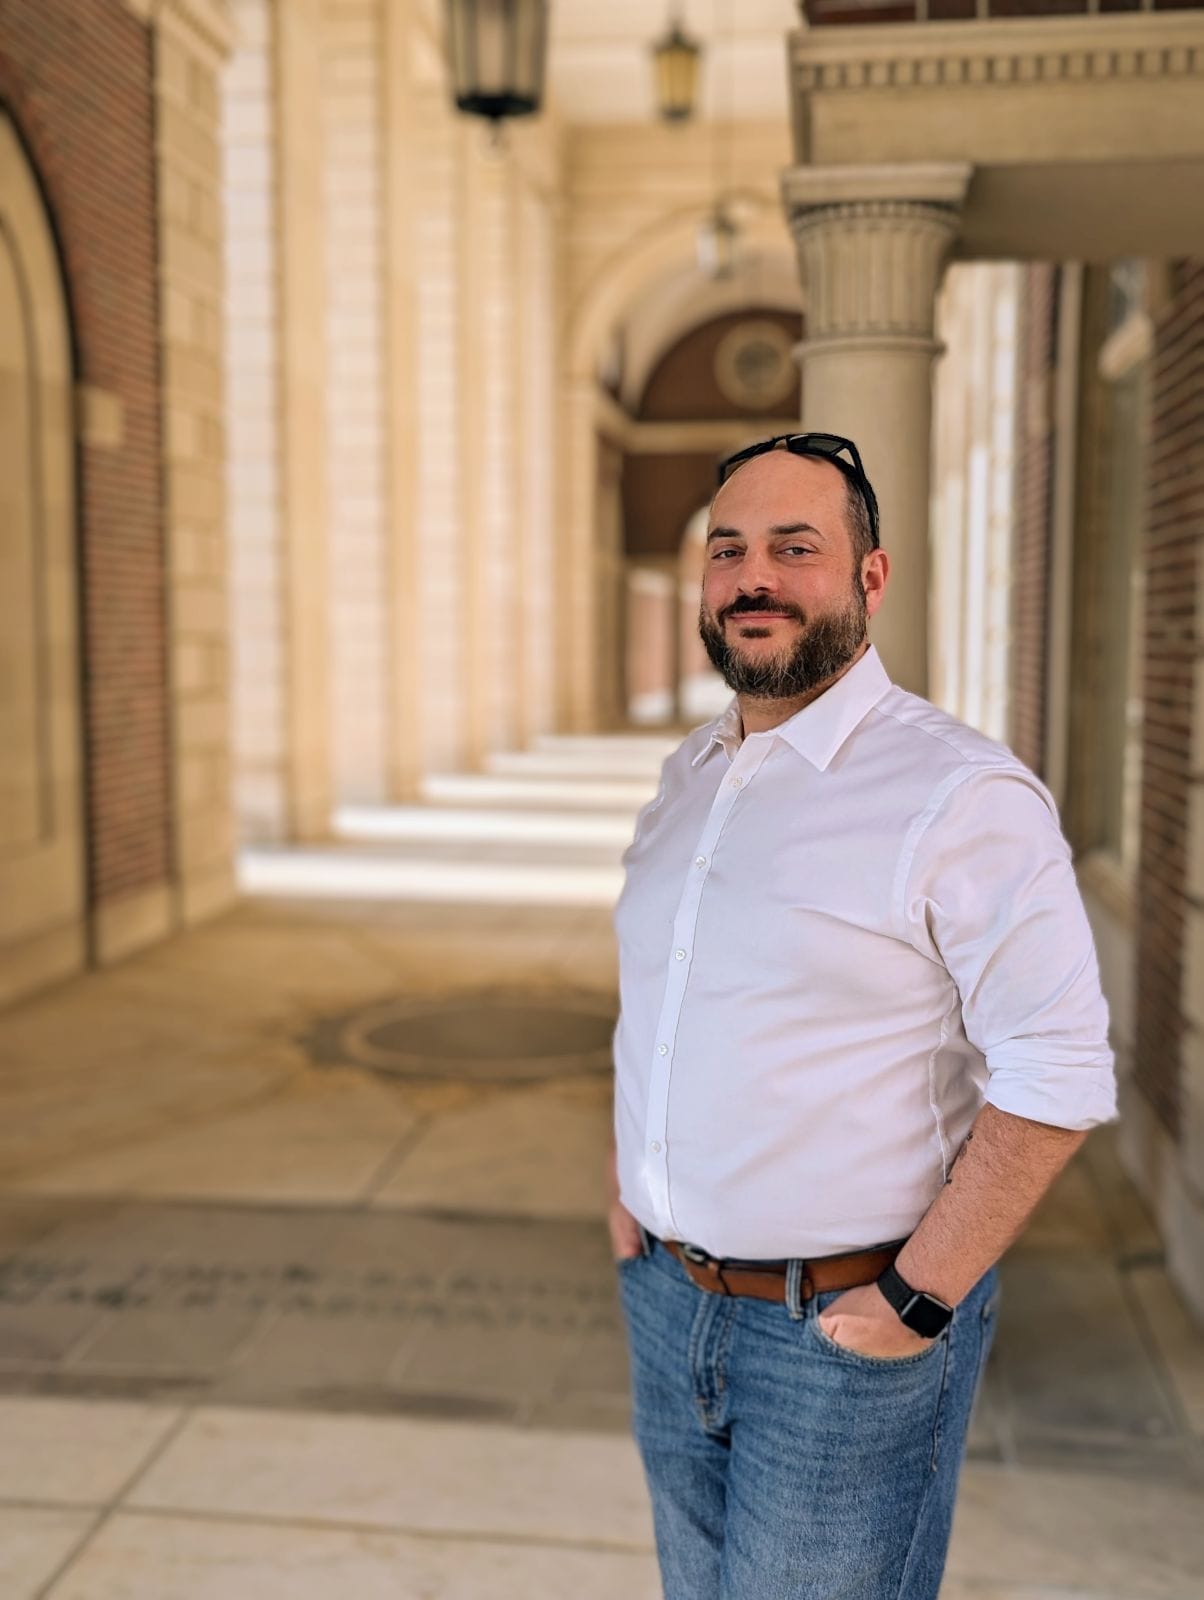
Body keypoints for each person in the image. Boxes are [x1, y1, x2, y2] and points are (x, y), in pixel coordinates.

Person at [607, 432, 1117, 1600]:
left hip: (843, 1334)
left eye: (795, 548)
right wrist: (627, 1187)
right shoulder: (689, 776)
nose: (753, 577)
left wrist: (914, 1299)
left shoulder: (958, 794)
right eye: (727, 549)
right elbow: (664, 993)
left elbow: (1057, 1065)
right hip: (668, 1304)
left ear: (870, 576)